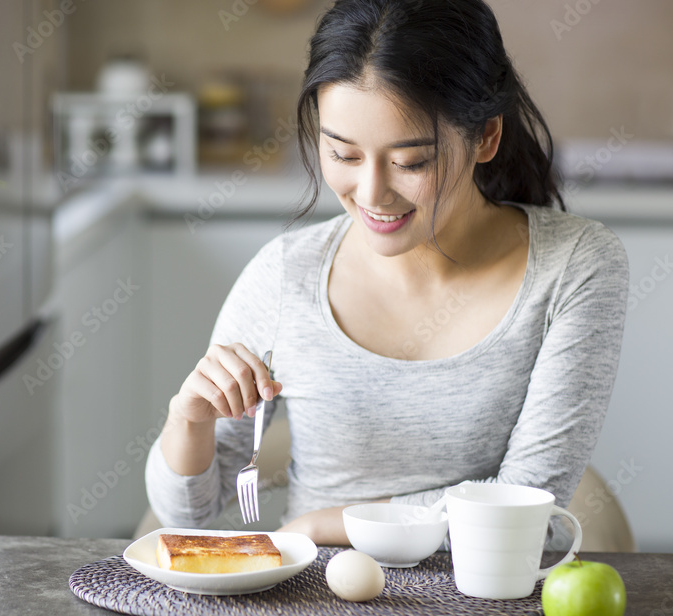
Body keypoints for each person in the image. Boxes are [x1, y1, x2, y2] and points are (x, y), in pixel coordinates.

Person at [145, 0, 629, 547]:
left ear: (486, 136)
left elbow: (526, 508)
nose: (372, 195)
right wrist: (188, 419)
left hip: (495, 613)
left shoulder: (574, 268)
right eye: (343, 155)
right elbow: (186, 518)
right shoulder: (285, 275)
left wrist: (332, 524)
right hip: (314, 615)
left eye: (410, 162)